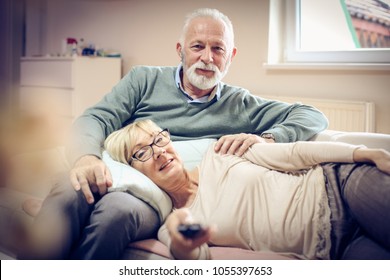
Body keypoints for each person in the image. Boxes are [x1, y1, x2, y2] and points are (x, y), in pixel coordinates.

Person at [19, 8, 328, 259]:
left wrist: (269, 138)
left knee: (115, 214)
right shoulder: (144, 80)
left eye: (217, 49)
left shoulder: (241, 104)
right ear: (181, 50)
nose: (207, 58)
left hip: (161, 199)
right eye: (198, 46)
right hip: (123, 169)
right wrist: (86, 158)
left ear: (230, 55)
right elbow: (95, 118)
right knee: (72, 188)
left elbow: (312, 115)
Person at [104, 119, 390, 260]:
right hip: (334, 248)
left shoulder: (219, 154)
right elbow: (192, 256)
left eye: (158, 139)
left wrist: (364, 153)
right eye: (141, 152)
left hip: (340, 185)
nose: (159, 152)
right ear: (131, 170)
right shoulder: (175, 222)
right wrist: (183, 241)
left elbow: (295, 154)